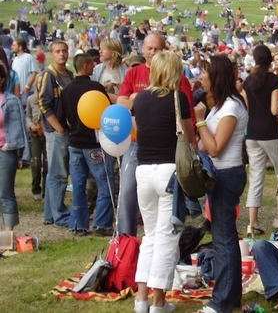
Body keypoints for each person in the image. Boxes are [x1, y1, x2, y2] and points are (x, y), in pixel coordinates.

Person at [132, 51, 195, 313]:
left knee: (150, 236)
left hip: (144, 169)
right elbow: (189, 137)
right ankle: (158, 302)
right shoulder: (177, 98)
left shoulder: (140, 99)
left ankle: (142, 299)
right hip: (169, 169)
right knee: (168, 238)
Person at [116, 33, 195, 236]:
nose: (152, 53)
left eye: (157, 49)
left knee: (166, 202)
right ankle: (126, 238)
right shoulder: (134, 74)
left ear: (164, 50)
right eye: (149, 48)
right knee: (126, 192)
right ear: (143, 50)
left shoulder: (180, 80)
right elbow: (121, 103)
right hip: (136, 142)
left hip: (168, 147)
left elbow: (187, 113)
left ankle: (169, 235)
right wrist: (136, 99)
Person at [193, 55, 249, 313]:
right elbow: (204, 144)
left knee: (224, 241)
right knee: (223, 239)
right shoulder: (218, 106)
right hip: (218, 176)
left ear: (216, 76)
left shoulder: (231, 107)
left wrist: (201, 121)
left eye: (205, 73)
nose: (201, 77)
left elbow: (215, 148)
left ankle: (222, 302)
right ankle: (231, 297)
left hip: (227, 176)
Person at [61, 53, 114, 236]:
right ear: (85, 66)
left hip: (74, 143)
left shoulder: (66, 90)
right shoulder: (95, 88)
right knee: (105, 183)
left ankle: (78, 224)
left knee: (78, 185)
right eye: (92, 64)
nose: (94, 66)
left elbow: (62, 117)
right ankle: (102, 223)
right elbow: (108, 113)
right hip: (94, 143)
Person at [243, 45, 278, 236]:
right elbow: (275, 110)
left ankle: (252, 223)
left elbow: (248, 108)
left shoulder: (247, 81)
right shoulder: (274, 80)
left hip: (252, 132)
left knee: (256, 178)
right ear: (270, 59)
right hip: (270, 131)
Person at [38, 40, 74, 228]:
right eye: (58, 51)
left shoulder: (69, 75)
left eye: (64, 51)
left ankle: (50, 214)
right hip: (56, 130)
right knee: (57, 174)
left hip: (67, 128)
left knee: (58, 172)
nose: (62, 54)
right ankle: (59, 215)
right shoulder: (48, 75)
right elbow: (43, 103)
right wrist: (58, 127)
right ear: (52, 54)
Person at [0, 63, 30, 232]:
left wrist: (10, 146)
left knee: (5, 191)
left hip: (5, 150)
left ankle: (8, 232)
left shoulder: (11, 101)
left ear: (2, 80)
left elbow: (20, 128)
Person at [26, 78, 47, 201]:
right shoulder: (31, 100)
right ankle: (36, 188)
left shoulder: (49, 99)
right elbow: (27, 115)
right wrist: (30, 125)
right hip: (35, 136)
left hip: (47, 135)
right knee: (36, 163)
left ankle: (46, 191)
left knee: (47, 164)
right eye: (38, 83)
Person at [91, 38, 127, 104]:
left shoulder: (126, 72)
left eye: (103, 49)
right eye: (100, 48)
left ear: (113, 51)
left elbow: (126, 99)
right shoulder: (95, 70)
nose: (100, 51)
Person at [11, 37, 38, 105]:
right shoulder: (15, 59)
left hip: (26, 91)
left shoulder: (28, 57)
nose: (12, 47)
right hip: (17, 92)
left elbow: (34, 72)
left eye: (14, 45)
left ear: (20, 47)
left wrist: (27, 86)